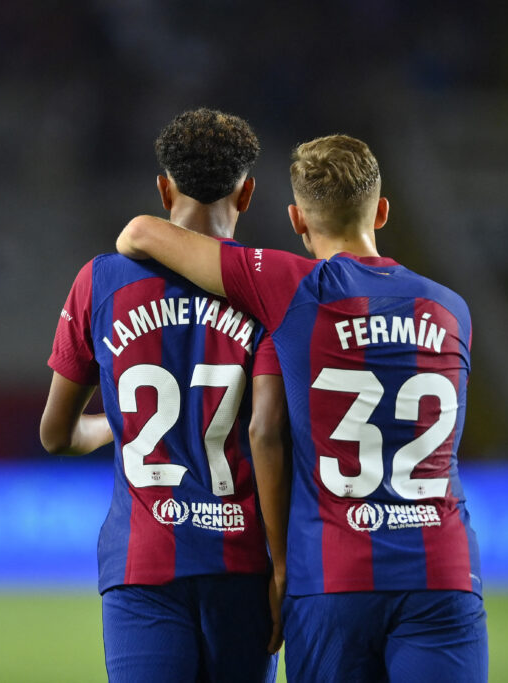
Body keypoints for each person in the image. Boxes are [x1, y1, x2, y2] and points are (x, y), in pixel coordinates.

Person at [117, 134, 488, 682]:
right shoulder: (450, 308)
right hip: (443, 571)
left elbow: (141, 233)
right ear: (382, 211)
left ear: (296, 219)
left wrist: (280, 565)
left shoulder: (292, 286)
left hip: (331, 578)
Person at [40, 108, 281, 683]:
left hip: (142, 565)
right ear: (246, 193)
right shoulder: (272, 289)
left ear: (163, 187)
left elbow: (55, 435)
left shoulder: (99, 282)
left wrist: (110, 426)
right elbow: (272, 432)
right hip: (241, 565)